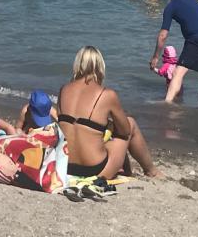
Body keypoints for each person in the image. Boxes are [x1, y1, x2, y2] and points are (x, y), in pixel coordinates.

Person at [57, 46, 160, 180]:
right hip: (96, 171)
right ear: (100, 66)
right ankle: (151, 171)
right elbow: (125, 132)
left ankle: (132, 170)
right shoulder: (107, 94)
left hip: (66, 167)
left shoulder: (63, 90)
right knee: (130, 123)